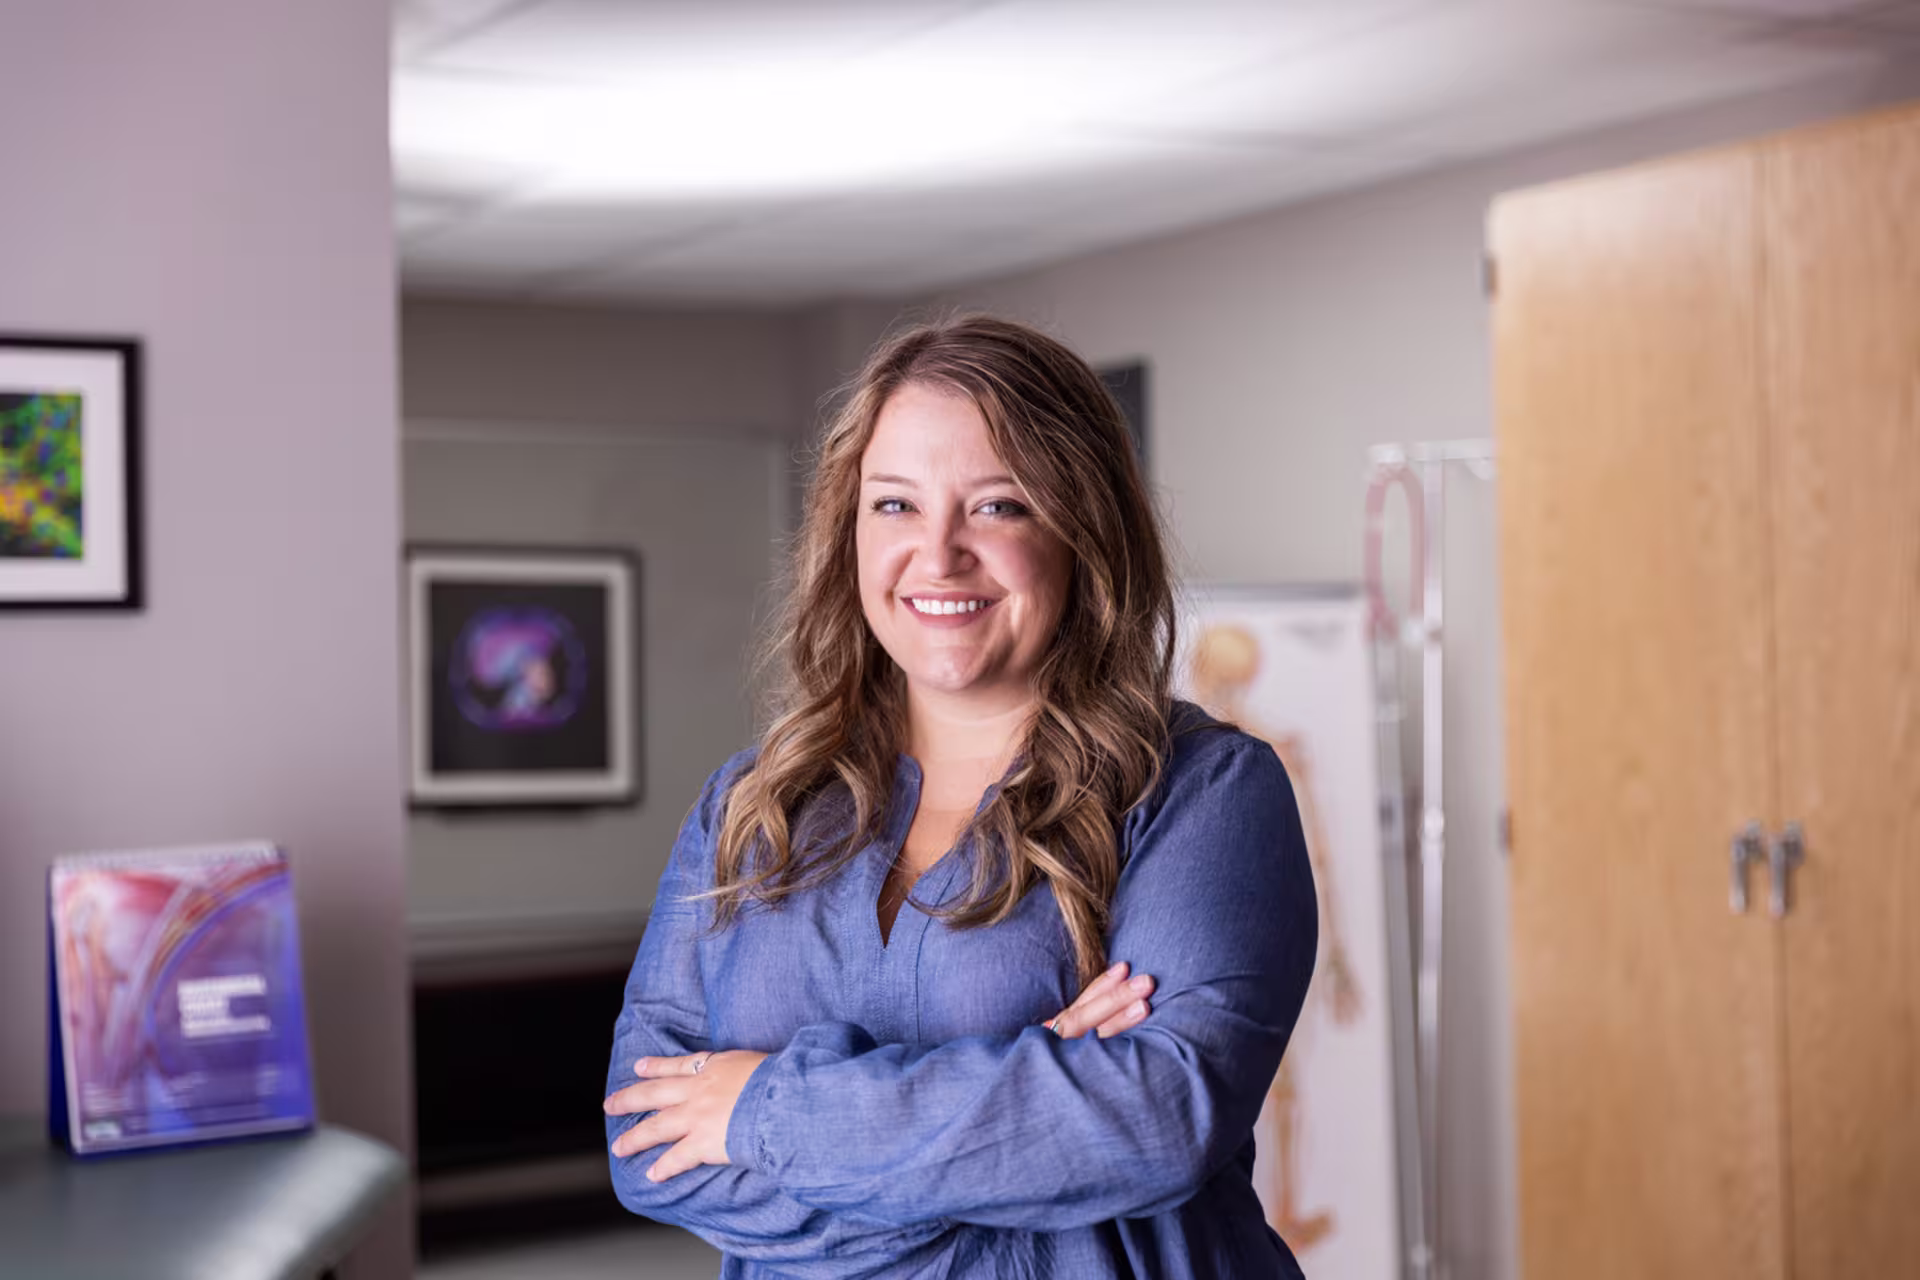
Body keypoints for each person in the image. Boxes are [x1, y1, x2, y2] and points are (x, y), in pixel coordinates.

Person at [602, 314, 1318, 1277]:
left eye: (998, 506)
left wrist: (760, 1111)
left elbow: (1154, 1119)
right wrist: (1028, 1108)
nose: (938, 555)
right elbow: (646, 1144)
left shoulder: (1204, 794)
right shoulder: (752, 807)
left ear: (1083, 531)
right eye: (895, 505)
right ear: (847, 532)